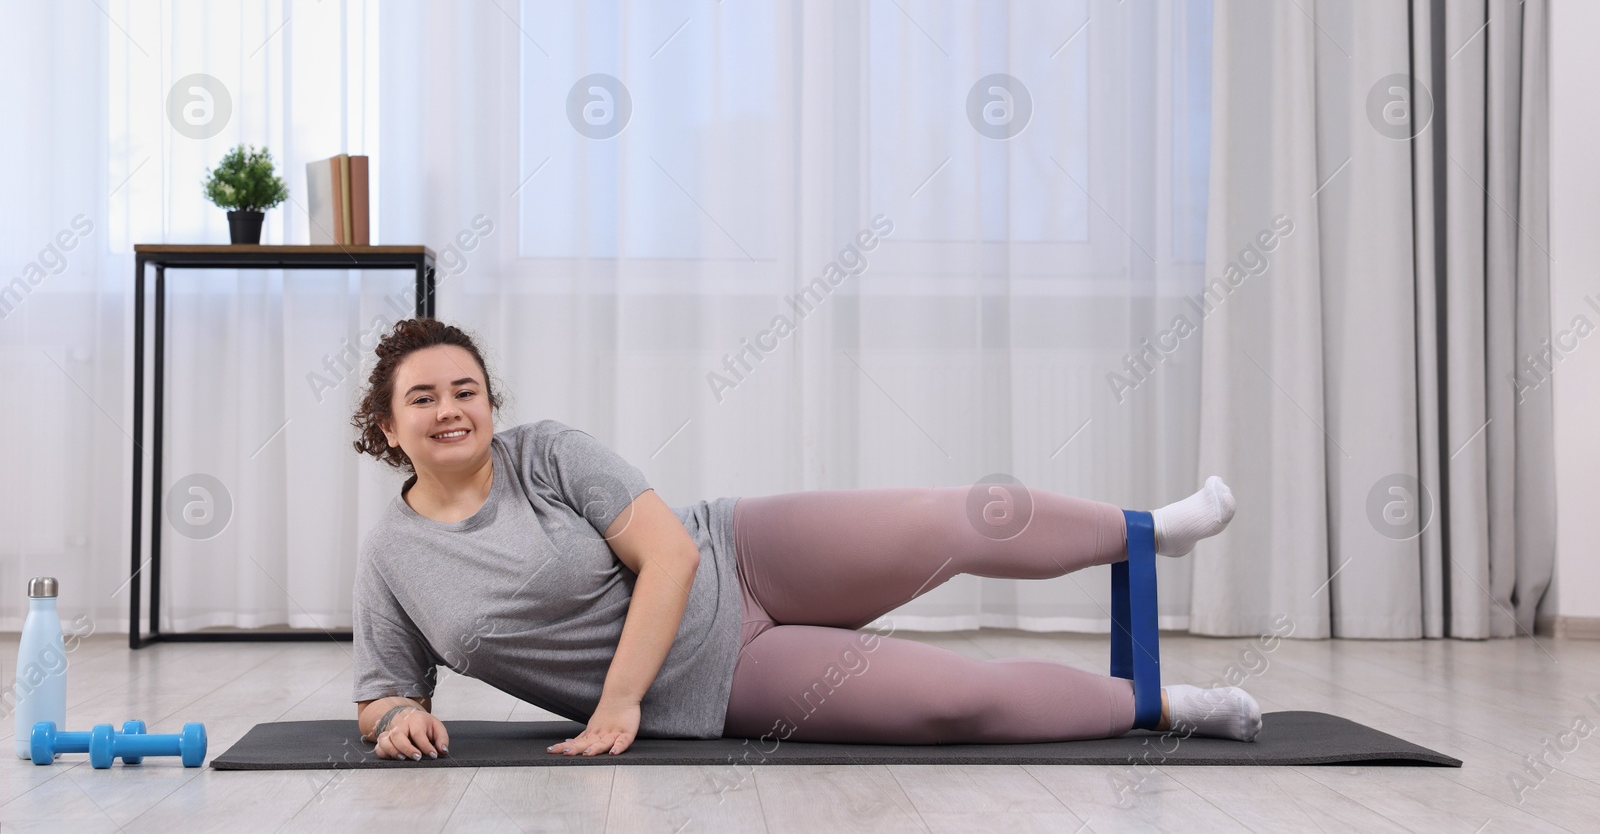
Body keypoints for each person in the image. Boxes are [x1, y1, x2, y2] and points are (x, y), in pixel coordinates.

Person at [349, 318, 1262, 762]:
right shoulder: (395, 556)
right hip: (716, 679)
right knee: (956, 704)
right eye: (423, 397)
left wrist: (615, 703)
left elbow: (670, 554)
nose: (450, 409)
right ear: (387, 427)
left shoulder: (546, 453)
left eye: (465, 389)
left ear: (489, 402)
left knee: (954, 517)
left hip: (743, 552)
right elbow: (383, 687)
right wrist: (396, 720)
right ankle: (1168, 704)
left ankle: (1150, 530)